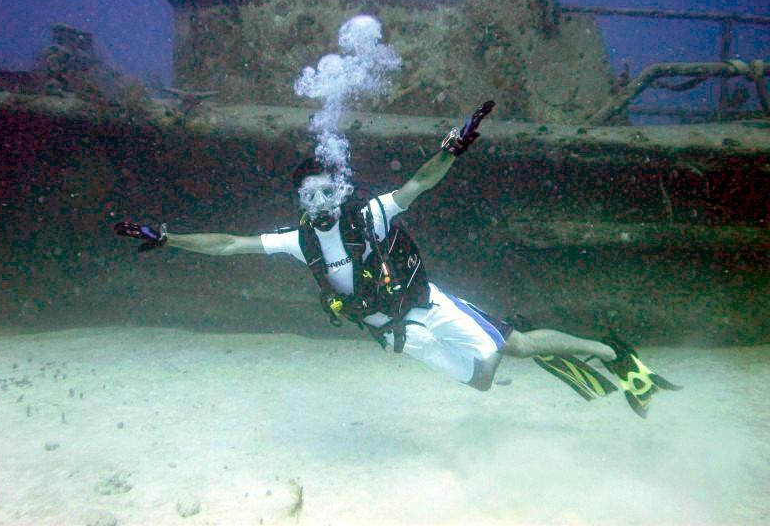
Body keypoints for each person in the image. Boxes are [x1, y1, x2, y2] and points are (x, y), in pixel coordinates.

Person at [115, 101, 680, 417]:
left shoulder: (372, 215)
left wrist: (450, 149)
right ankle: (517, 339)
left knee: (511, 348)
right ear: (300, 202)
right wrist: (170, 239)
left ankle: (610, 352)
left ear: (340, 191)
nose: (317, 204)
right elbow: (230, 245)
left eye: (324, 192)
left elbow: (418, 184)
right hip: (392, 334)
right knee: (483, 382)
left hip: (427, 307)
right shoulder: (299, 240)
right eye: (306, 196)